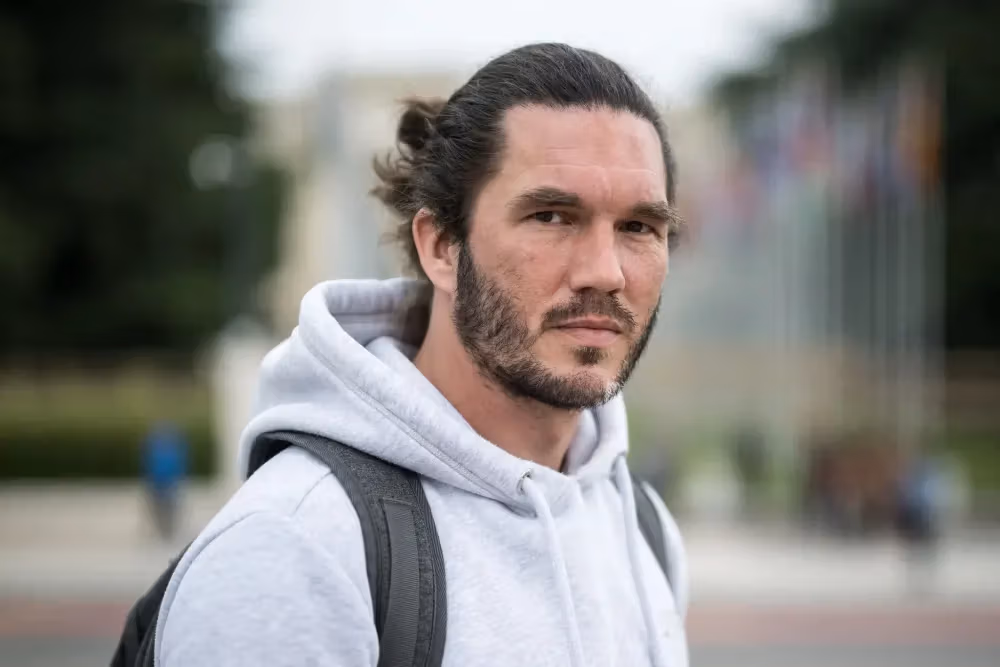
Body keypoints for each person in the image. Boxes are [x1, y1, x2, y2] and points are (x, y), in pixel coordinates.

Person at [155, 43, 688, 666]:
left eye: (639, 227)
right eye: (551, 216)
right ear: (440, 248)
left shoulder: (640, 524)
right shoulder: (296, 546)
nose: (606, 272)